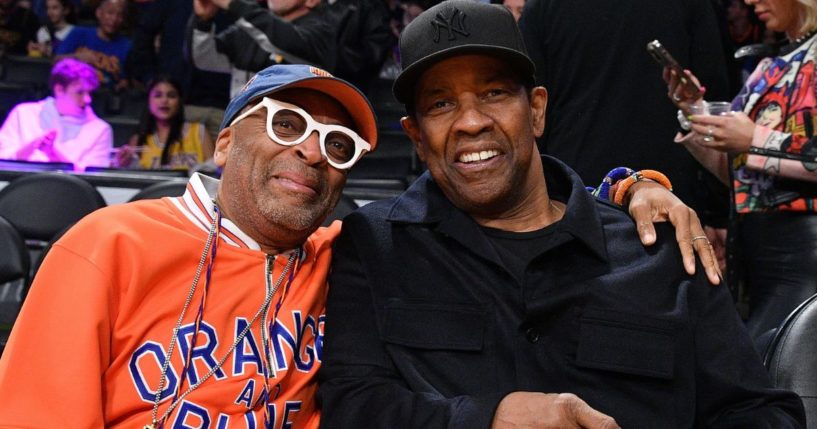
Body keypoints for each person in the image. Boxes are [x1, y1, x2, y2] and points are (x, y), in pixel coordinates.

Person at [318, 1, 806, 427]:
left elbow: (757, 412)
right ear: (418, 137)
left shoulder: (659, 247)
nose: (471, 122)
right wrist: (488, 419)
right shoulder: (376, 244)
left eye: (493, 93)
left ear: (536, 111)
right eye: (441, 103)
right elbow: (353, 405)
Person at [0, 64, 379, 427]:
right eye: (285, 124)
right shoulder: (111, 243)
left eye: (340, 145)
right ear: (226, 144)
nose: (313, 153)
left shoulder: (348, 259)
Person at [666, 0, 817, 349]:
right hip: (755, 261)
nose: (749, 1)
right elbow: (742, 177)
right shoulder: (771, 65)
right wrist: (694, 112)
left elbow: (756, 149)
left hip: (805, 258)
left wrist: (754, 140)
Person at [519, 0, 731, 225]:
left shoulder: (542, 6)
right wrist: (717, 213)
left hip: (582, 190)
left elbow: (527, 109)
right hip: (664, 193)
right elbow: (715, 98)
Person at [190, 0, 337, 97]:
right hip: (242, 124)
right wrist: (203, 21)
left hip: (287, 131)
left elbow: (283, 41)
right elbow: (204, 60)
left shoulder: (322, 32)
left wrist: (233, 4)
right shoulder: (250, 30)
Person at [0, 58, 112, 171]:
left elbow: (93, 177)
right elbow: (3, 161)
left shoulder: (100, 130)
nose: (88, 99)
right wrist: (31, 147)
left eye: (89, 93)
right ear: (59, 90)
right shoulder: (23, 113)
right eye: (80, 92)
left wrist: (53, 154)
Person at [116, 76, 214, 170]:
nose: (164, 100)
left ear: (180, 102)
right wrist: (123, 163)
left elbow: (215, 172)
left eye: (171, 96)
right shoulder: (137, 141)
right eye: (158, 95)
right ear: (148, 103)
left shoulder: (199, 132)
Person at [54, 0, 131, 88]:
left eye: (120, 15)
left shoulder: (127, 46)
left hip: (107, 95)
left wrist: (125, 84)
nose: (114, 19)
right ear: (99, 13)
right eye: (110, 13)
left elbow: (127, 79)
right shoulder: (79, 33)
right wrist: (77, 57)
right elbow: (56, 61)